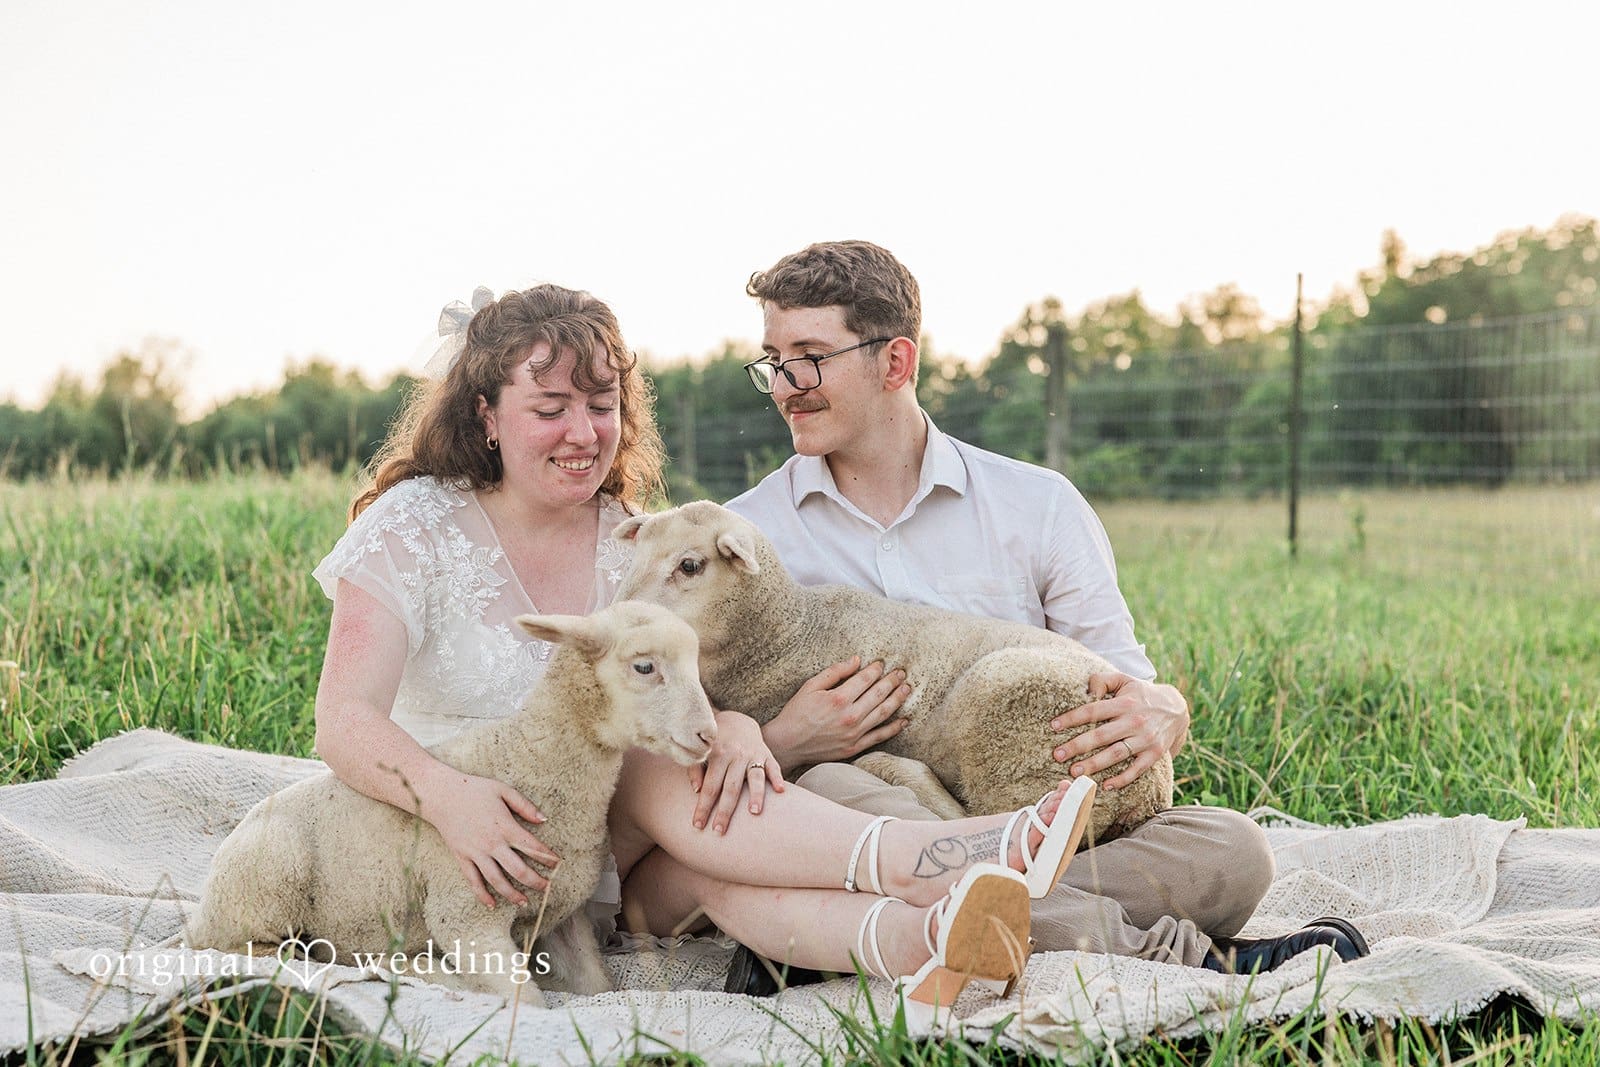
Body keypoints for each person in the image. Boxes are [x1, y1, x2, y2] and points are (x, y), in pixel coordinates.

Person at [309, 282, 1097, 1005]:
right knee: (698, 834)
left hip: (592, 854)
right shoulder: (416, 525)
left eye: (602, 403)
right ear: (485, 413)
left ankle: (933, 936)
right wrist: (452, 799)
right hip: (453, 836)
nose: (583, 433)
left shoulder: (638, 543)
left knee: (688, 787)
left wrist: (745, 727)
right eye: (550, 408)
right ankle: (931, 884)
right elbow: (343, 718)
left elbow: (691, 695)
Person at [722, 241, 1369, 983]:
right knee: (830, 791)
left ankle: (871, 935)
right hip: (874, 815)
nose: (782, 386)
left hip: (1046, 822)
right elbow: (699, 737)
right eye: (773, 359)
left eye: (809, 357)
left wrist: (1165, 707)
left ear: (895, 362)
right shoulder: (747, 536)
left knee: (1235, 850)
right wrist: (783, 738)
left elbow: (1123, 693)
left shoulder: (1038, 505)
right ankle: (1177, 959)